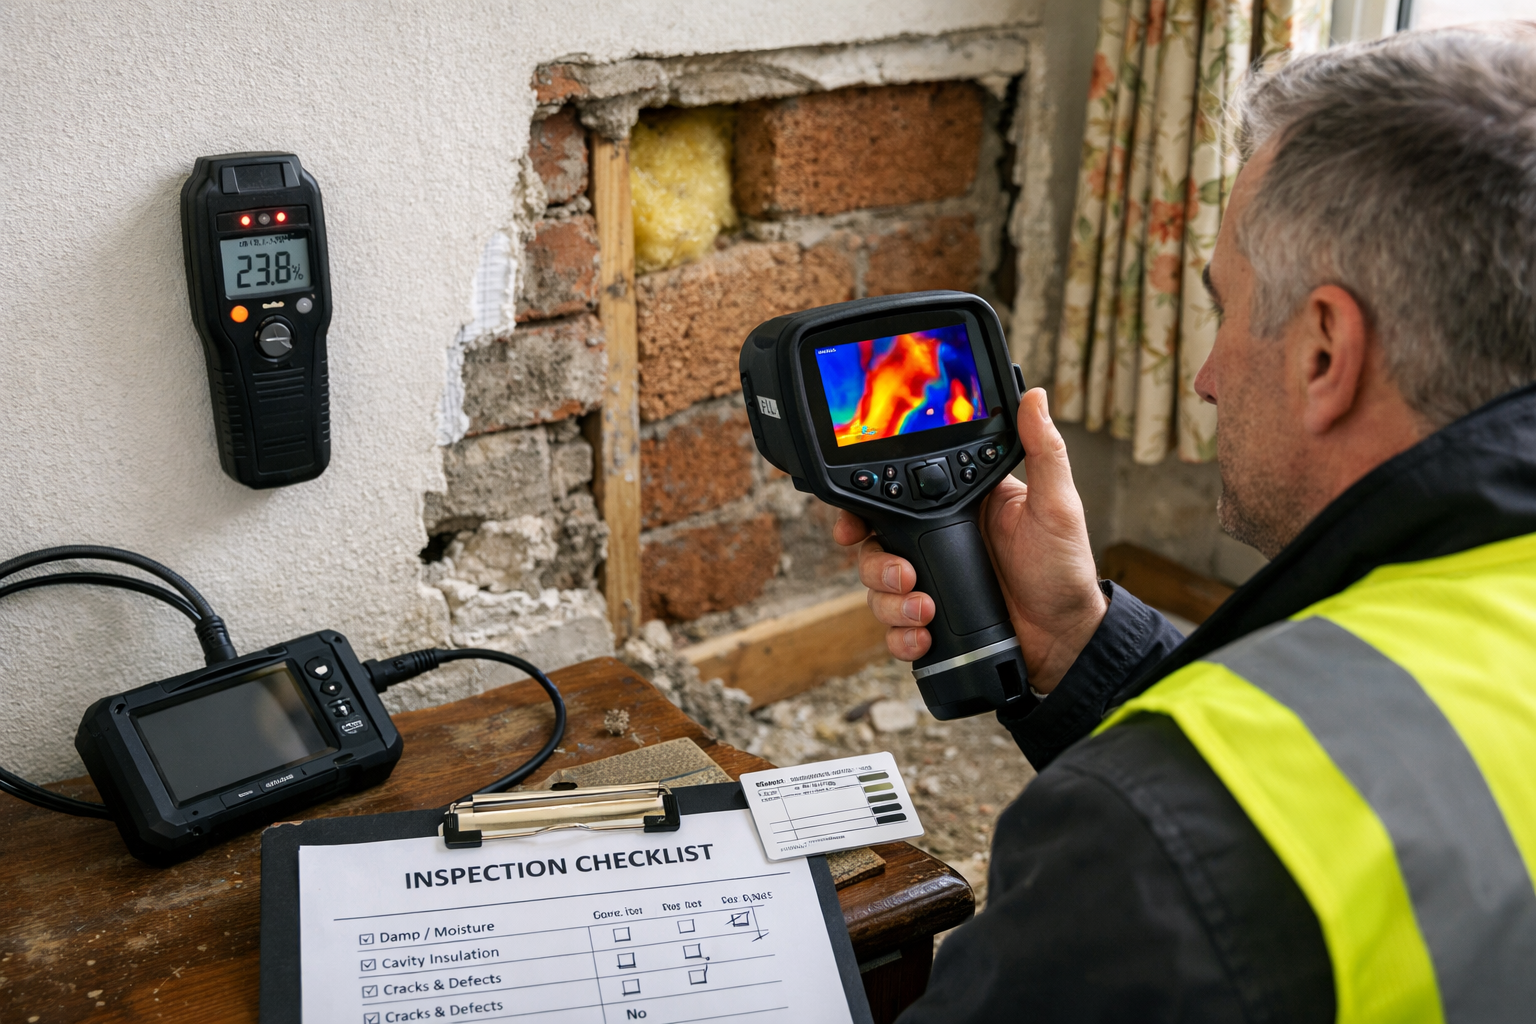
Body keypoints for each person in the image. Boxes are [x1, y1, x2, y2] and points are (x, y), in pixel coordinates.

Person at [834, 25, 1536, 1022]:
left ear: (1326, 352)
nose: (1203, 378)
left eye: (1222, 311)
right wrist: (1077, 641)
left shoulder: (1153, 842)